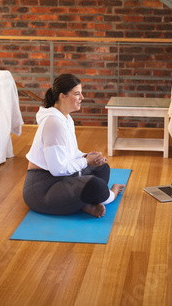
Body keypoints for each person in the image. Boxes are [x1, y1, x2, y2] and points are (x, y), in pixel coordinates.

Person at [23, 74, 124, 218]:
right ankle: (108, 196)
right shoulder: (53, 123)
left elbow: (70, 152)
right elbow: (58, 169)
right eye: (77, 94)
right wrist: (86, 162)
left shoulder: (66, 118)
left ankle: (82, 204)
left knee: (101, 167)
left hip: (63, 180)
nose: (82, 97)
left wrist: (87, 157)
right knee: (97, 186)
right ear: (62, 96)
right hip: (43, 190)